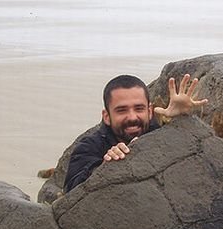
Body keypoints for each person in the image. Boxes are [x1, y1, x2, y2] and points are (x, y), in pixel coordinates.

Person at [64, 73, 207, 192]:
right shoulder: (89, 147)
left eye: (139, 109)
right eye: (122, 110)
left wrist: (180, 119)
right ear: (106, 116)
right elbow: (71, 191)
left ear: (150, 111)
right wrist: (105, 166)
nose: (132, 117)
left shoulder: (161, 134)